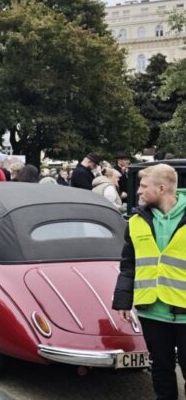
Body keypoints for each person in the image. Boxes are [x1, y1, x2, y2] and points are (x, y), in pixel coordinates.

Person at [113, 164, 186, 400]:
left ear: (162, 188)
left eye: (144, 186)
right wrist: (123, 300)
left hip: (185, 311)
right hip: (152, 311)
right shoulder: (136, 221)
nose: (138, 191)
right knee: (161, 369)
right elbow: (129, 263)